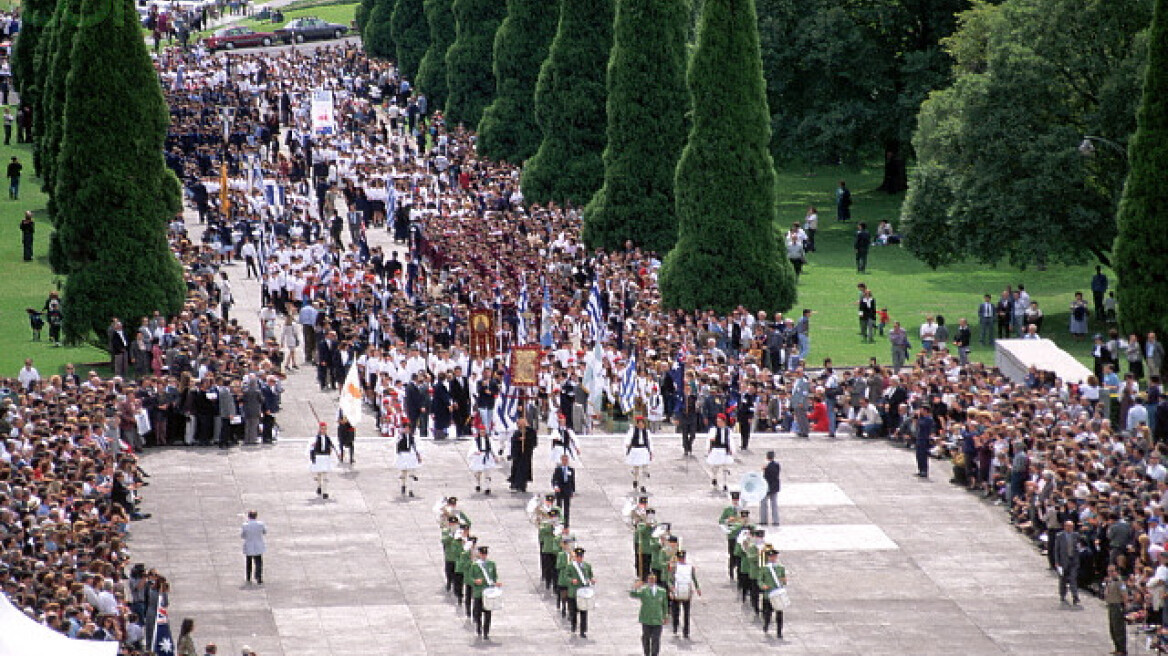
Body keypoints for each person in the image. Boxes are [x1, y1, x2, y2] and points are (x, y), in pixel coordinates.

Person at [630, 572, 669, 656]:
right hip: (646, 618)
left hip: (657, 619)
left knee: (656, 638)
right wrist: (635, 587)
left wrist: (666, 616)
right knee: (646, 638)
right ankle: (646, 653)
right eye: (650, 579)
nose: (651, 581)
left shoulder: (661, 591)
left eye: (653, 579)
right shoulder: (644, 590)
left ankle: (655, 654)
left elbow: (665, 605)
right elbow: (633, 594)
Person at [561, 546, 595, 638]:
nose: (580, 558)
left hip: (584, 592)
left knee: (584, 612)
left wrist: (592, 579)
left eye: (581, 556)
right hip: (574, 592)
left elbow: (590, 575)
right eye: (578, 556)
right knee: (573, 611)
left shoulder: (587, 566)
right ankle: (573, 625)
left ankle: (583, 630)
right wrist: (572, 580)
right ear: (575, 557)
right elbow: (566, 577)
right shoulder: (571, 566)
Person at [666, 549, 700, 639]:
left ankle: (686, 631)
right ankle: (675, 627)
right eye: (680, 558)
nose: (681, 559)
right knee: (675, 612)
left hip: (686, 591)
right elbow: (669, 579)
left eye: (683, 558)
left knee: (686, 613)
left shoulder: (690, 567)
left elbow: (694, 578)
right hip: (676, 591)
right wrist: (671, 587)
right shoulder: (674, 567)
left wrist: (697, 588)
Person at [470, 545, 500, 640]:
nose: (484, 555)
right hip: (479, 592)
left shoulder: (491, 564)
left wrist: (496, 583)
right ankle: (478, 627)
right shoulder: (475, 565)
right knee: (478, 612)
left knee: (488, 613)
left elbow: (494, 576)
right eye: (482, 554)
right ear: (479, 554)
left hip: (488, 592)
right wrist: (475, 581)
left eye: (485, 554)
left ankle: (486, 631)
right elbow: (469, 578)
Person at [758, 549, 788, 639]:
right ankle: (766, 625)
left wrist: (784, 581)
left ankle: (779, 631)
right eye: (771, 556)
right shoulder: (764, 568)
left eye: (774, 556)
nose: (773, 558)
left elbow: (783, 579)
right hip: (768, 594)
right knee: (767, 613)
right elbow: (760, 579)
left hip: (778, 594)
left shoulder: (780, 567)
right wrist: (763, 586)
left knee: (779, 614)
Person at [1053, 520, 1081, 605]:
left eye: (1071, 526)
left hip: (1073, 560)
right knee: (1063, 579)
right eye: (1068, 526)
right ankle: (1062, 594)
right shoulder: (1059, 536)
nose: (1070, 528)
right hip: (1063, 561)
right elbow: (1056, 550)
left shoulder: (1076, 535)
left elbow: (1078, 547)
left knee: (1073, 579)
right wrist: (1057, 561)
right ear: (1065, 527)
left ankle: (1075, 596)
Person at [1102, 564, 1128, 655]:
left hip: (1117, 606)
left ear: (1117, 571)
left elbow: (1124, 595)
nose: (1110, 573)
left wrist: (1125, 607)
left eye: (1112, 571)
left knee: (1118, 628)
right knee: (1112, 628)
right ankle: (1117, 647)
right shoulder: (1111, 581)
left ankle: (1122, 649)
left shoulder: (1119, 582)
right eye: (1109, 571)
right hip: (1111, 605)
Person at [468, 419, 498, 494]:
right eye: (481, 431)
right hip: (478, 457)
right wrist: (475, 452)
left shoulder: (489, 439)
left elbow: (493, 447)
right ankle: (478, 484)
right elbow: (473, 447)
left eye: (484, 431)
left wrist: (495, 456)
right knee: (478, 473)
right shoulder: (476, 440)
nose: (482, 432)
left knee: (487, 473)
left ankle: (487, 487)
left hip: (487, 456)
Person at [508, 416, 536, 493]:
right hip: (518, 455)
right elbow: (513, 442)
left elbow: (534, 442)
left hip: (526, 454)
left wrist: (526, 440)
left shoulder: (531, 431)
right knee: (517, 470)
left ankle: (523, 484)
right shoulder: (517, 432)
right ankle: (515, 483)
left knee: (524, 470)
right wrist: (518, 439)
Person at [706, 413, 734, 490]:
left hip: (724, 450)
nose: (718, 423)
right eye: (717, 421)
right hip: (716, 449)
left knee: (725, 467)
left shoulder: (728, 430)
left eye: (720, 421)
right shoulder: (714, 429)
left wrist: (731, 449)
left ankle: (725, 483)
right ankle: (714, 478)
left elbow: (730, 440)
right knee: (715, 467)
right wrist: (709, 448)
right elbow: (709, 440)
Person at [625, 416, 653, 493]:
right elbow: (628, 439)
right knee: (636, 468)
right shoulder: (633, 431)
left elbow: (650, 442)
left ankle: (643, 485)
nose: (641, 425)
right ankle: (635, 480)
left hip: (644, 450)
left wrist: (651, 451)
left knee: (645, 469)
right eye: (639, 424)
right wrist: (627, 444)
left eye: (642, 423)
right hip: (635, 450)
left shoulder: (646, 432)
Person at [308, 422, 335, 499]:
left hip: (325, 457)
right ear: (319, 429)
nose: (324, 430)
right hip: (319, 457)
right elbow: (312, 448)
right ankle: (319, 486)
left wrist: (332, 450)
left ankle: (325, 491)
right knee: (319, 474)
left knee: (325, 475)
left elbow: (332, 446)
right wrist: (313, 458)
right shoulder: (316, 438)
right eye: (322, 428)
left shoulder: (327, 438)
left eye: (325, 429)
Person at [395, 422, 421, 497]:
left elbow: (414, 446)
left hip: (410, 455)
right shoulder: (400, 436)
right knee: (404, 472)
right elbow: (396, 443)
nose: (406, 429)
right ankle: (403, 485)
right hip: (403, 455)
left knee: (411, 473)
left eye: (408, 428)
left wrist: (418, 455)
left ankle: (411, 490)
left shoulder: (412, 437)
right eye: (405, 428)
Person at [240, 510, 266, 585]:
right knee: (258, 562)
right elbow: (264, 532)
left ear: (249, 516)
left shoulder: (245, 525)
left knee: (249, 562)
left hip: (249, 545)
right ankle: (258, 577)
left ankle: (248, 577)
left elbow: (242, 535)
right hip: (258, 545)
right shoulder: (260, 524)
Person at [551, 454, 576, 526]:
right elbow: (554, 479)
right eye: (563, 460)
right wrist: (555, 487)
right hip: (560, 490)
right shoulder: (558, 469)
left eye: (566, 460)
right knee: (559, 507)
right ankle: (558, 522)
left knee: (567, 508)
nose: (565, 461)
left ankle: (566, 524)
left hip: (567, 490)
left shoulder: (571, 470)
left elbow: (572, 481)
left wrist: (572, 491)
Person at [760, 450, 781, 526]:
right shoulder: (777, 464)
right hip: (774, 486)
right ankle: (776, 520)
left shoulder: (766, 465)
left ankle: (763, 520)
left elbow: (764, 475)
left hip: (766, 486)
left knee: (763, 504)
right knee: (774, 504)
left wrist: (765, 468)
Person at [914, 405, 935, 478]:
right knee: (918, 455)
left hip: (924, 439)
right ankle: (920, 469)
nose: (920, 411)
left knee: (923, 455)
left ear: (925, 411)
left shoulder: (929, 419)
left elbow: (922, 424)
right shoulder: (921, 418)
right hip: (919, 438)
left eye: (922, 410)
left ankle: (924, 470)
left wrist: (919, 417)